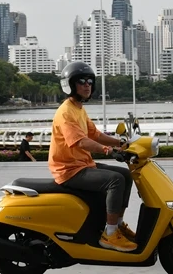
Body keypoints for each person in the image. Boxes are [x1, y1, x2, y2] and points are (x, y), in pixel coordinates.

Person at [48, 61, 136, 252]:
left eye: (90, 81)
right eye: (81, 81)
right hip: (69, 170)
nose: (87, 85)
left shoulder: (78, 108)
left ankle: (118, 224)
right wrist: (108, 151)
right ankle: (110, 234)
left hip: (83, 164)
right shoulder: (66, 112)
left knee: (126, 175)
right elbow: (80, 142)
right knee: (115, 180)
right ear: (70, 85)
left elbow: (94, 134)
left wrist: (121, 144)